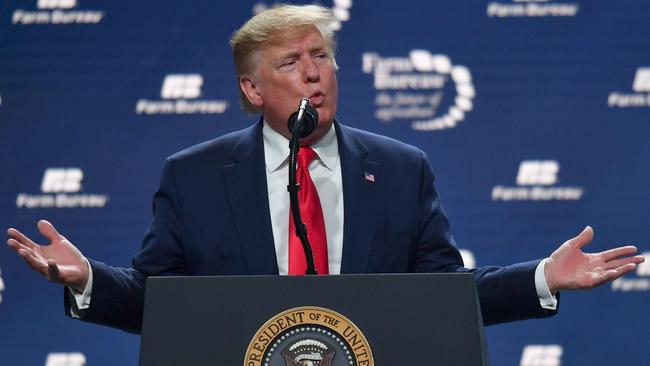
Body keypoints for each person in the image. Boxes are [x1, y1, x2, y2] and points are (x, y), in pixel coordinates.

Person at [5, 5, 644, 334]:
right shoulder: (194, 175)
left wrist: (542, 278)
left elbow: (443, 298)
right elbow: (159, 304)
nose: (313, 72)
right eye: (290, 63)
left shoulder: (400, 169)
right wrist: (88, 278)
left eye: (322, 55)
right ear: (252, 90)